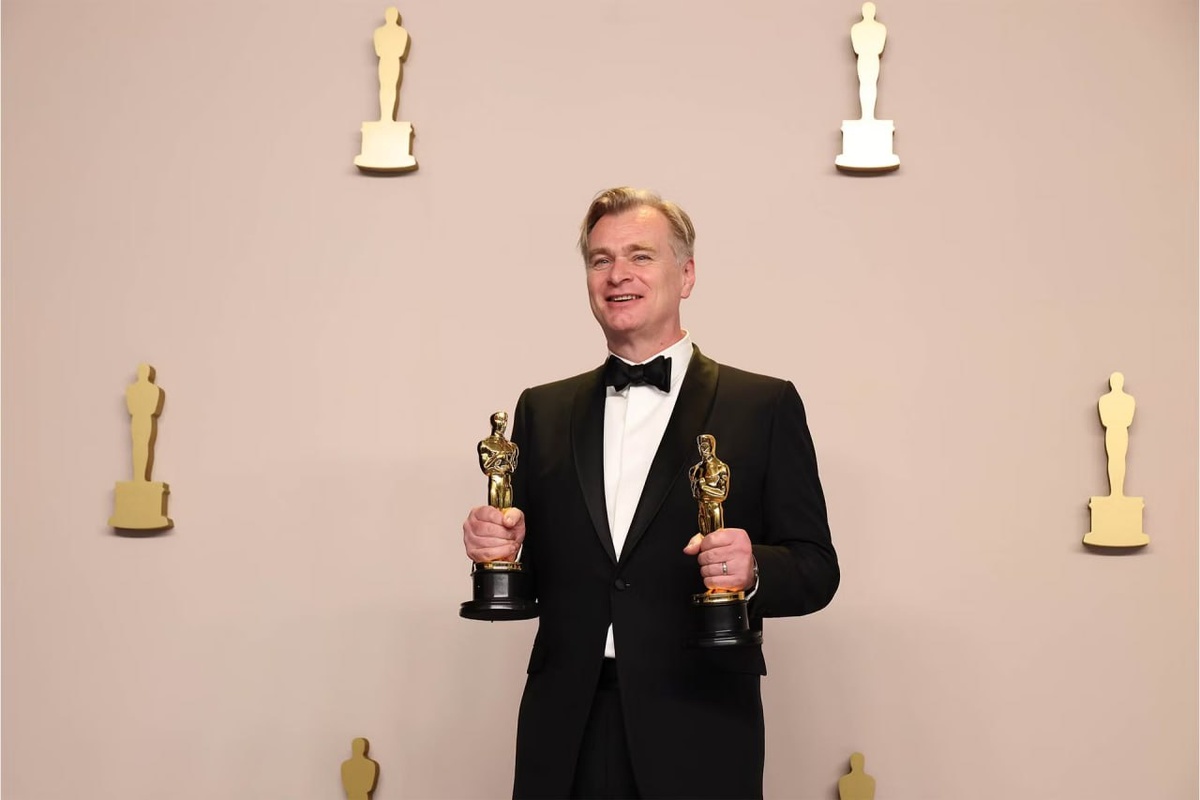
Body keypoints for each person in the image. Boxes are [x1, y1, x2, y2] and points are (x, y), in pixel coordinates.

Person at [462, 187, 839, 799]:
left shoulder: (764, 405)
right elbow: (535, 574)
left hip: (701, 727)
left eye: (641, 255)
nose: (618, 275)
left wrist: (752, 570)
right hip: (566, 728)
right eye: (601, 259)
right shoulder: (541, 409)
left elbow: (817, 569)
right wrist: (500, 550)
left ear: (686, 275)